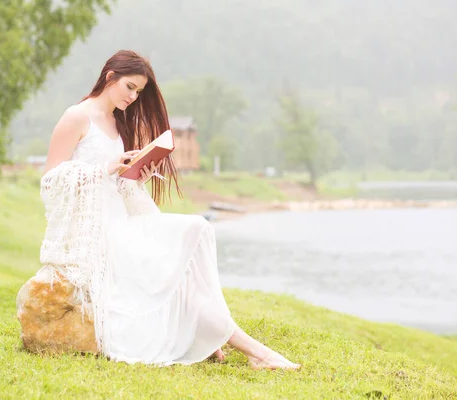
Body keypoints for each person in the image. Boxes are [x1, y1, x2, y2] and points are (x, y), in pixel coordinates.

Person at [40, 49, 300, 370]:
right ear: (110, 78)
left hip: (122, 222)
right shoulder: (76, 117)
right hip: (98, 234)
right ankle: (253, 352)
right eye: (130, 88)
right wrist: (104, 168)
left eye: (139, 92)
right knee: (188, 237)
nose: (134, 98)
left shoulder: (117, 124)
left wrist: (135, 177)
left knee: (195, 233)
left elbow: (116, 185)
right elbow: (50, 180)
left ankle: (233, 343)